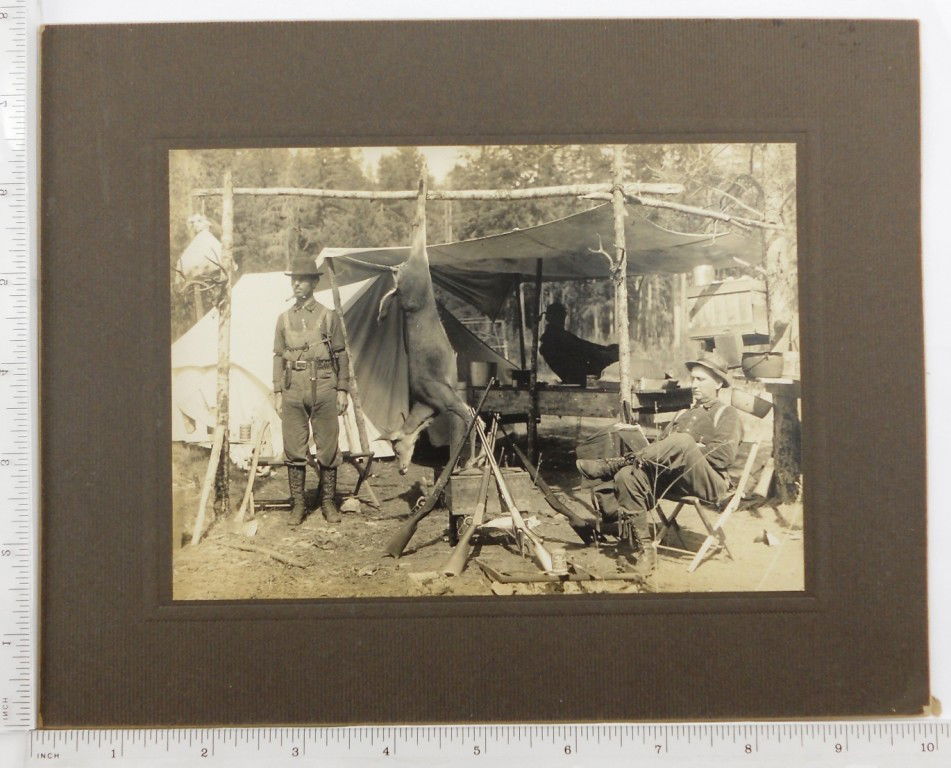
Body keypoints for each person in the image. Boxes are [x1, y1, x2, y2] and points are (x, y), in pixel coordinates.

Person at [575, 351, 742, 572]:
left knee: (682, 441)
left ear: (719, 383)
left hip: (708, 482)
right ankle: (646, 549)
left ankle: (613, 464)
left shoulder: (727, 413)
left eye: (701, 379)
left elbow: (724, 456)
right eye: (692, 379)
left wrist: (689, 449)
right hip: (674, 479)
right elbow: (662, 446)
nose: (694, 384)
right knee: (628, 476)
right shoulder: (684, 413)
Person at [272, 253, 350, 525]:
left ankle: (328, 503)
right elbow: (278, 357)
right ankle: (299, 505)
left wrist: (342, 389)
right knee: (294, 447)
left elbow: (341, 354)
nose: (297, 285)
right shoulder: (282, 319)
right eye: (294, 280)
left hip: (325, 384)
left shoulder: (328, 317)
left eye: (303, 281)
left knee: (328, 445)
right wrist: (277, 391)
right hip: (293, 386)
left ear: (313, 284)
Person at [539, 301, 619, 385]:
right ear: (552, 318)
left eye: (563, 317)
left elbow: (584, 344)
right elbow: (585, 348)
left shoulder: (556, 335)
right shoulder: (556, 337)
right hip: (577, 376)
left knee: (610, 356)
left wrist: (606, 349)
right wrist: (607, 352)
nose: (563, 321)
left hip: (576, 373)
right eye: (560, 317)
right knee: (611, 357)